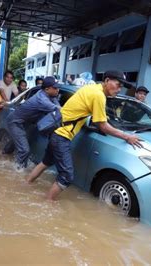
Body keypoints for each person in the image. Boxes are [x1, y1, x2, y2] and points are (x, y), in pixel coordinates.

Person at [25, 70, 143, 200]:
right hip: (62, 136)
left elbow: (85, 111)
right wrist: (127, 136)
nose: (119, 89)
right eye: (118, 84)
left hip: (56, 130)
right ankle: (47, 204)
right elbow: (102, 126)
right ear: (107, 80)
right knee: (66, 176)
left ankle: (26, 184)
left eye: (121, 87)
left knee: (46, 162)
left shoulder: (92, 88)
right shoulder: (99, 96)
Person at [7, 77, 61, 171]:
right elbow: (61, 111)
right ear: (47, 89)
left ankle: (3, 155)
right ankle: (16, 172)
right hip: (15, 122)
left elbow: (58, 105)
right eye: (55, 88)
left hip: (24, 122)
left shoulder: (49, 95)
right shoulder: (42, 100)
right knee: (24, 150)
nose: (58, 90)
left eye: (58, 87)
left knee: (14, 144)